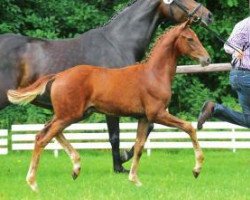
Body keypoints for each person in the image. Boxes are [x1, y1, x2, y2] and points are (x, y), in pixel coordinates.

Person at [197, 16, 250, 129]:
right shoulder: (245, 25)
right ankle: (215, 109)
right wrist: (235, 50)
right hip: (245, 76)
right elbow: (228, 46)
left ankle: (214, 109)